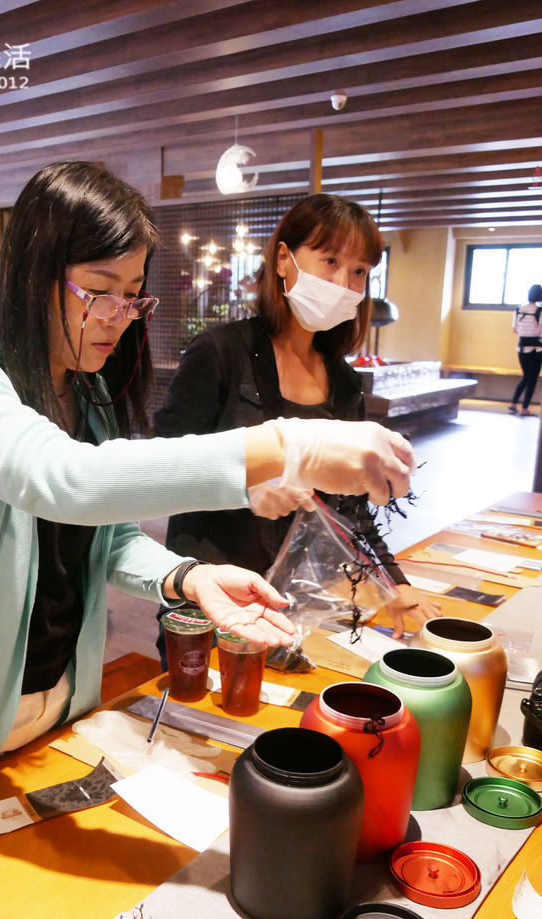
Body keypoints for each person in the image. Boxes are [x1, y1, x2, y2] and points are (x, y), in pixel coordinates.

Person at [0, 162, 416, 820]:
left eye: (133, 294)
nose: (118, 316)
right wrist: (287, 444)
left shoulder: (83, 391)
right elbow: (65, 481)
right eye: (99, 290)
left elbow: (105, 537)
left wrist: (188, 577)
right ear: (35, 273)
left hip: (56, 696)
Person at [154, 193, 440, 644]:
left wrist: (393, 583)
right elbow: (160, 470)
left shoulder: (343, 382)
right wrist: (247, 484)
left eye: (359, 271)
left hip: (297, 603)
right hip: (211, 595)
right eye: (329, 261)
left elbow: (352, 510)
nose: (344, 283)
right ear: (284, 259)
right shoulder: (221, 353)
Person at [509, 284, 542, 416]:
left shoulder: (518, 310)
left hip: (521, 348)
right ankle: (524, 407)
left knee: (526, 376)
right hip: (536, 349)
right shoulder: (540, 311)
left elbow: (514, 329)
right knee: (531, 379)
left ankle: (513, 402)